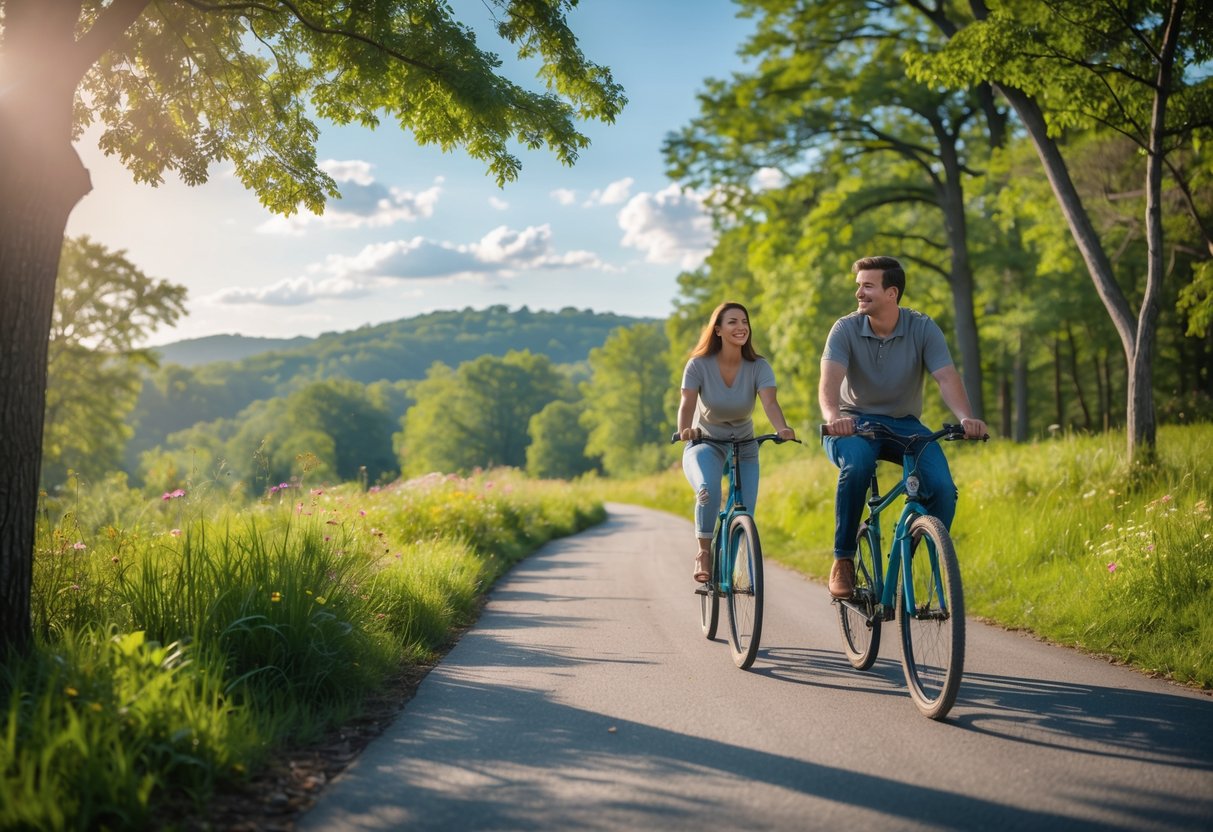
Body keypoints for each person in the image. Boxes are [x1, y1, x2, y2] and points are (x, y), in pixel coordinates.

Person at [819, 256, 987, 598]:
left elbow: (945, 376)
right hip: (854, 422)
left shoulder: (922, 327)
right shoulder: (845, 328)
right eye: (859, 286)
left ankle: (906, 553)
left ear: (892, 292)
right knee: (858, 467)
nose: (859, 293)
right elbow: (829, 381)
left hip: (905, 424)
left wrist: (966, 417)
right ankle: (844, 560)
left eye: (867, 286)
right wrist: (833, 416)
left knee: (941, 489)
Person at [677, 301, 796, 583]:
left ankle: (734, 567)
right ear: (717, 330)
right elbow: (686, 403)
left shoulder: (758, 366)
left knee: (745, 511)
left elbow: (770, 402)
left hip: (744, 444)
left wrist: (782, 428)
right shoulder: (698, 365)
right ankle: (704, 553)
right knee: (707, 490)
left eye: (744, 321)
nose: (740, 327)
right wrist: (684, 430)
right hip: (705, 442)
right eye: (732, 322)